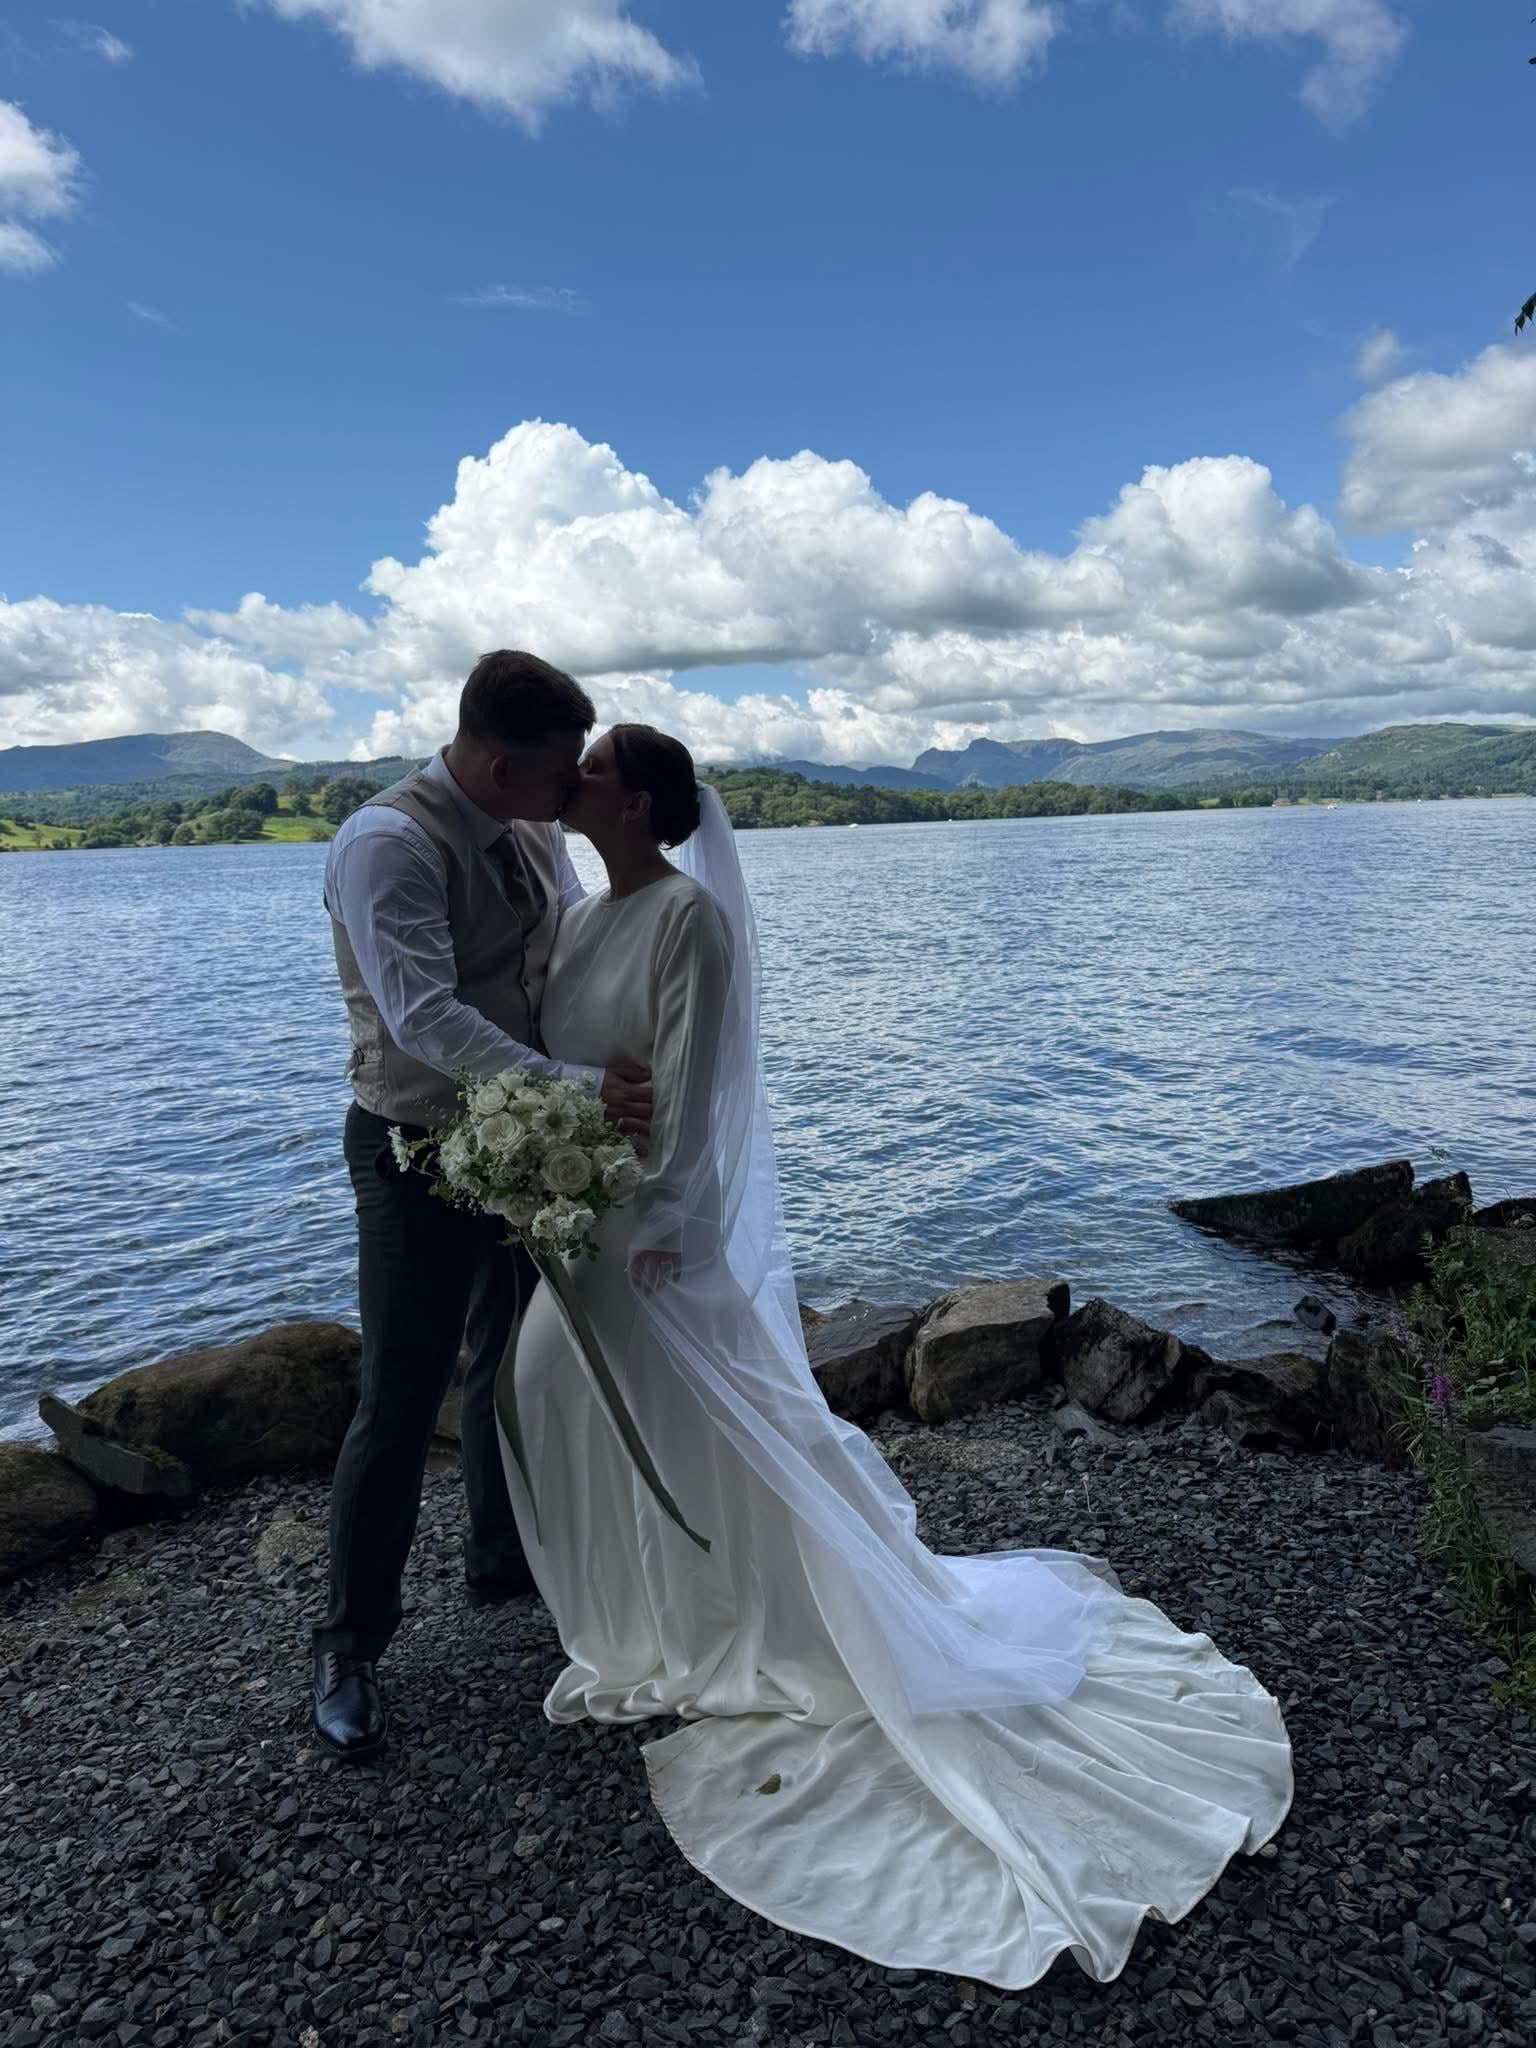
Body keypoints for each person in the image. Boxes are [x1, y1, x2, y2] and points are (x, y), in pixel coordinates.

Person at [499, 724, 1294, 1988]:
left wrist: (664, 1223)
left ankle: (758, 1620)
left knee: (683, 1425)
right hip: (580, 1212)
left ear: (637, 798)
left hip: (646, 1233)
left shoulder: (688, 921)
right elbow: (573, 1068)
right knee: (554, 1395)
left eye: (588, 766)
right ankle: (648, 1619)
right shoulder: (585, 914)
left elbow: (707, 1092)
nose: (569, 778)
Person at [312, 651, 654, 1761]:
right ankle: (350, 1643)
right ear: (500, 765)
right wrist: (575, 1089)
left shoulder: (532, 827)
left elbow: (551, 955)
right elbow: (426, 1020)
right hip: (412, 1146)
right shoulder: (387, 845)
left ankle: (503, 1561)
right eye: (559, 778)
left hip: (523, 1146)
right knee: (399, 1396)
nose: (569, 797)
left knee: (515, 1363)